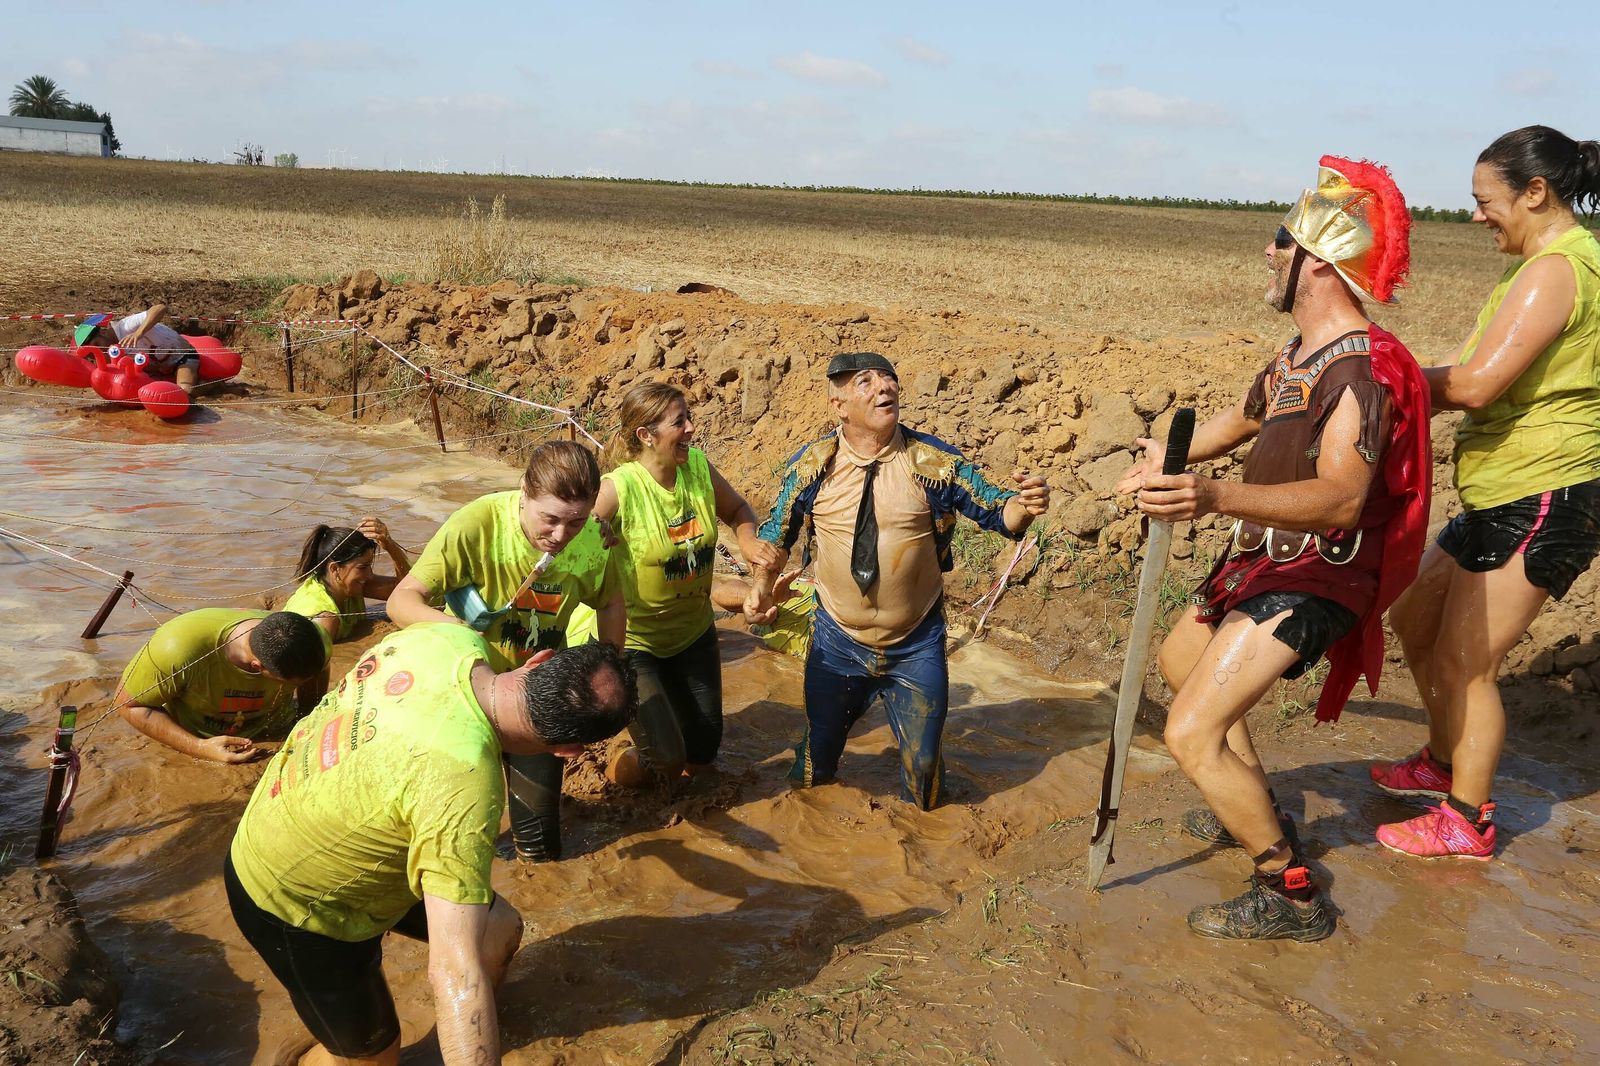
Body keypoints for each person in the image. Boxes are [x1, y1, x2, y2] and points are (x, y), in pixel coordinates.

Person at [1117, 157, 1431, 941]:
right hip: (1263, 563)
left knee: (1189, 732)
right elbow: (1245, 419)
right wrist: (1166, 457)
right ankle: (1253, 805)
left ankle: (1288, 891)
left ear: (1317, 261)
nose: (1267, 251)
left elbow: (1341, 499)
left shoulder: (1356, 374)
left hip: (1316, 573)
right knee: (1180, 665)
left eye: (1280, 240)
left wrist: (1214, 495)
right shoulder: (1298, 356)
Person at [226, 625, 637, 1066]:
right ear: (567, 751)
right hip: (292, 900)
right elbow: (454, 971)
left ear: (538, 660)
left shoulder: (446, 639)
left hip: (306, 810)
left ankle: (461, 1031)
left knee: (499, 930)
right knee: (376, 1059)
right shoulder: (464, 785)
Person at [1374, 126, 1600, 860]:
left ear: (1535, 192)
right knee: (1416, 618)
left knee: (1464, 661)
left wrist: (1380, 379)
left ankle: (1467, 820)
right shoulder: (1532, 268)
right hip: (1500, 490)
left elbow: (1474, 385)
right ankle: (1442, 762)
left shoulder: (1557, 270)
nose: (1475, 216)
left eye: (1484, 200)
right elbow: (1468, 366)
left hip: (1544, 490)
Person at [744, 351, 1050, 810]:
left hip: (915, 643)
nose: (884, 387)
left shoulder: (932, 462)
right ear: (839, 406)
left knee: (924, 776)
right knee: (816, 763)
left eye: (888, 379)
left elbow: (996, 510)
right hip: (837, 641)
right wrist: (759, 588)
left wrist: (1025, 504)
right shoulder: (813, 466)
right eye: (866, 382)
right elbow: (776, 536)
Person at [387, 440, 624, 863]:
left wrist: (606, 668)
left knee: (539, 844)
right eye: (550, 519)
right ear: (524, 491)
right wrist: (463, 636)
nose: (560, 536)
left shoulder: (591, 539)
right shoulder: (476, 525)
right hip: (462, 697)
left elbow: (609, 602)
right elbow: (402, 601)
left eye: (576, 522)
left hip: (536, 702)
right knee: (449, 832)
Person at [588, 382, 781, 787]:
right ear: (646, 435)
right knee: (666, 759)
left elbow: (737, 508)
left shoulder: (697, 466)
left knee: (703, 755)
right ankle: (610, 773)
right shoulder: (619, 488)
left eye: (688, 418)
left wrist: (747, 539)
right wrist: (592, 531)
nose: (691, 428)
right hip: (638, 643)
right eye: (679, 422)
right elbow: (577, 527)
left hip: (694, 634)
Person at [115, 608, 328, 763]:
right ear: (257, 667)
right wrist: (199, 747)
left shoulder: (316, 640)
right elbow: (127, 705)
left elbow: (319, 671)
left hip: (276, 727)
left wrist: (307, 718)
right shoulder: (176, 651)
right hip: (199, 737)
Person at [284, 516, 412, 651]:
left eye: (370, 566)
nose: (369, 575)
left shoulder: (348, 583)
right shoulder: (325, 619)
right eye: (363, 567)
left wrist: (391, 546)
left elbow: (407, 591)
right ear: (335, 569)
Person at [76, 303, 202, 395]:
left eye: (98, 344)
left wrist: (139, 333)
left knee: (185, 391)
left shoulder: (126, 326)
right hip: (160, 367)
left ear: (102, 332)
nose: (102, 352)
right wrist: (156, 368)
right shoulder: (112, 354)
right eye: (94, 355)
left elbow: (160, 308)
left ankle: (208, 387)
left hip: (182, 356)